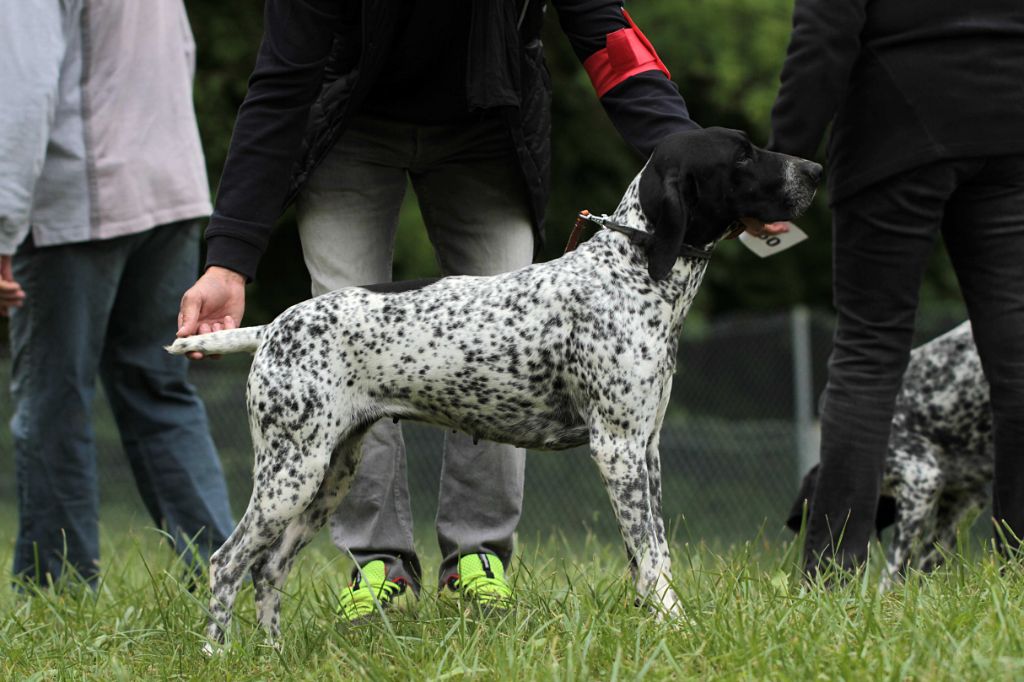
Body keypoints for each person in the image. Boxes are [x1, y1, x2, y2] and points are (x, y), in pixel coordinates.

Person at [173, 0, 721, 619]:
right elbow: (281, 79)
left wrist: (689, 156)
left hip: (488, 122)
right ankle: (378, 563)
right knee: (340, 334)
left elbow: (606, 33)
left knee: (513, 337)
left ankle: (477, 558)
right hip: (349, 120)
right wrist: (231, 257)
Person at [769, 0, 1024, 576]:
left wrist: (783, 163)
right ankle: (1019, 572)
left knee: (869, 350)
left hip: (896, 131)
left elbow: (823, 35)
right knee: (1019, 361)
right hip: (1010, 125)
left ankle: (833, 575)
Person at [0, 0, 236, 586]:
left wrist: (3, 223)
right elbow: (181, 54)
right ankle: (226, 574)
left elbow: (22, 90)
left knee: (53, 398)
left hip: (76, 204)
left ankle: (58, 582)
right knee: (160, 389)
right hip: (169, 189)